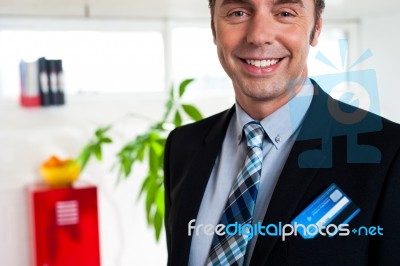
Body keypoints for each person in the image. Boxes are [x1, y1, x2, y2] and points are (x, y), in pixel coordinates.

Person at [164, 0, 400, 265]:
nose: (259, 36)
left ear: (316, 28)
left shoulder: (389, 153)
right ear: (214, 27)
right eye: (238, 12)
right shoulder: (182, 146)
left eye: (285, 13)